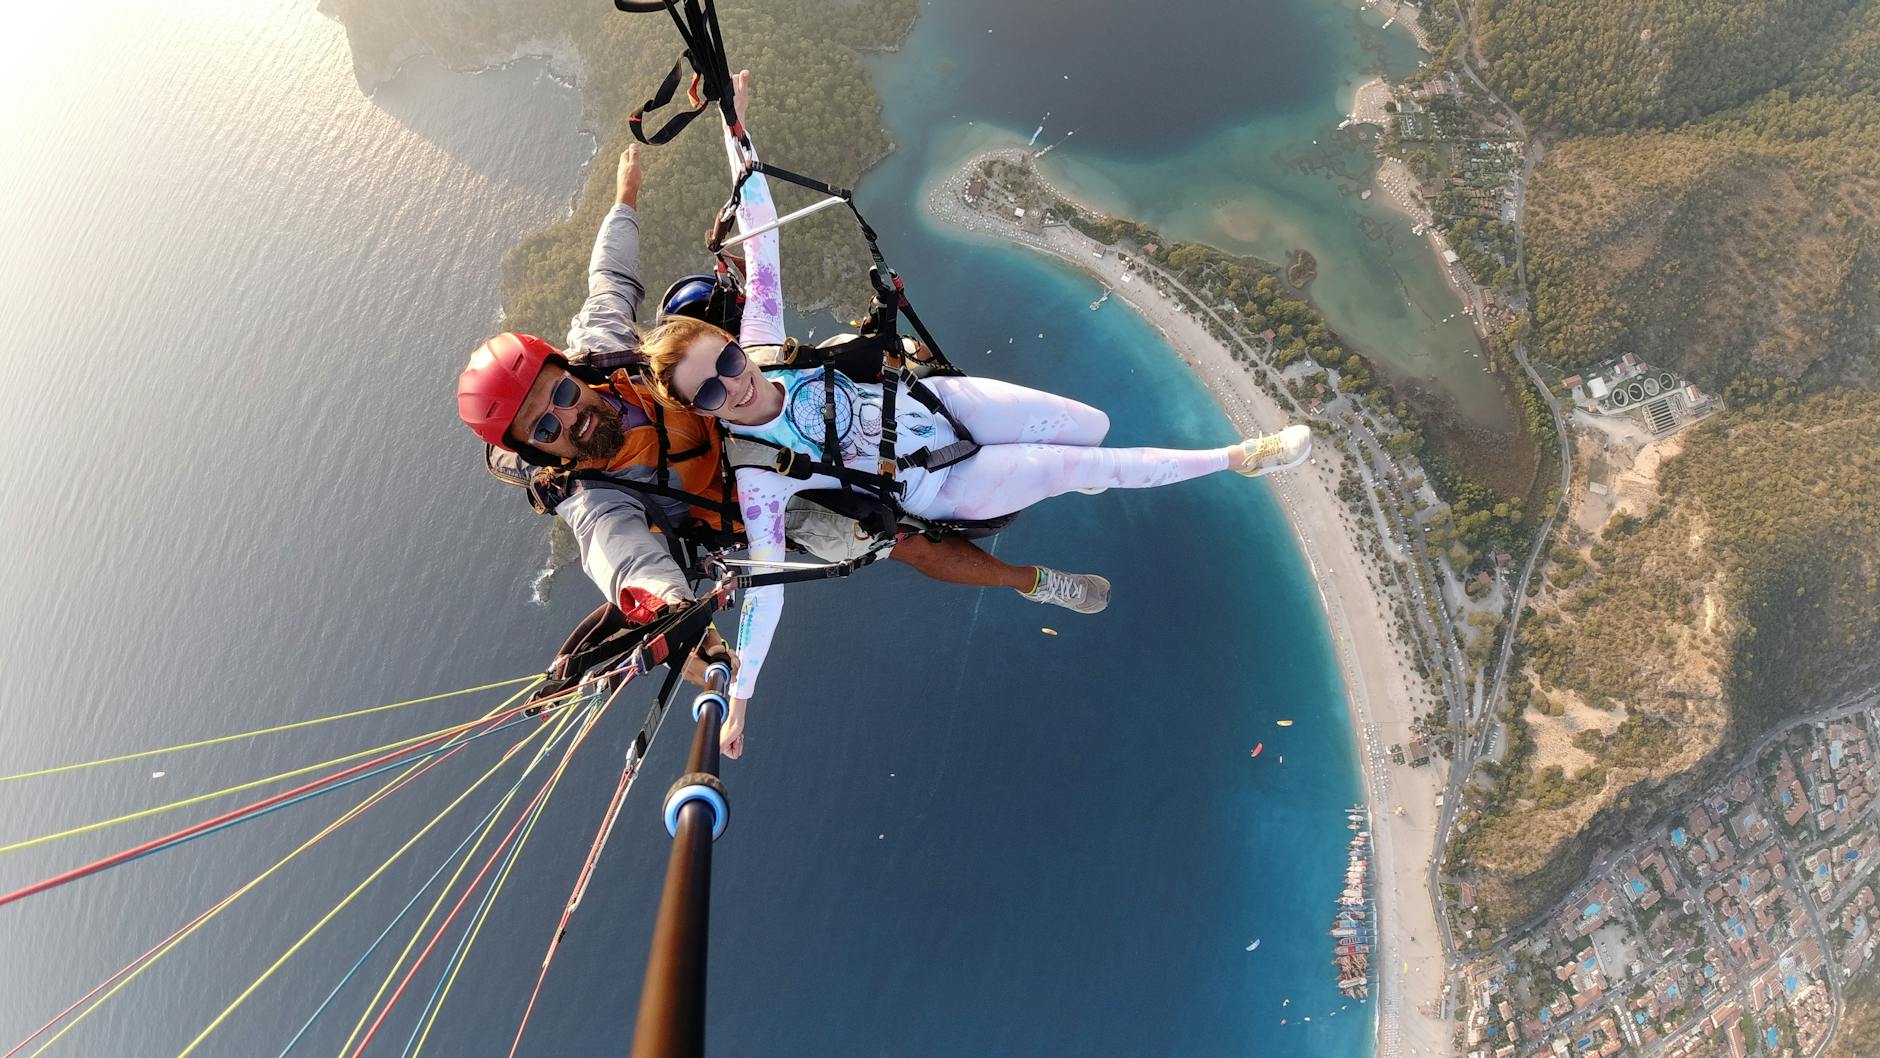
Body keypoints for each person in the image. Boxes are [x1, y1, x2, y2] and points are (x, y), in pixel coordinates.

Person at [640, 71, 1313, 756]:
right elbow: (766, 596)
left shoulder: (763, 346)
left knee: (1093, 427)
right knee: (1082, 459)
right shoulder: (757, 479)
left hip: (934, 404)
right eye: (713, 394)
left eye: (726, 363)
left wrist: (735, 123)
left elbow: (762, 236)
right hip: (934, 482)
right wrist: (741, 707)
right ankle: (1242, 458)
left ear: (731, 343)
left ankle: (1070, 476)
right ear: (702, 412)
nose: (736, 385)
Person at [455, 107, 1105, 713]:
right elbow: (623, 561)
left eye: (561, 394)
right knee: (888, 536)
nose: (570, 418)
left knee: (856, 358)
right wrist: (673, 618)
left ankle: (945, 408)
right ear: (540, 453)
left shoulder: (599, 351)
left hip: (743, 403)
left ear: (568, 370)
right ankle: (1031, 581)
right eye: (547, 428)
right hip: (754, 495)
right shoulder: (594, 499)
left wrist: (625, 195)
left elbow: (610, 276)